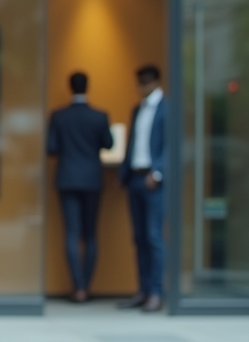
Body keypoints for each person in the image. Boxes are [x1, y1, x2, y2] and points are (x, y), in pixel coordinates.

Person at [47, 72, 114, 303]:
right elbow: (109, 143)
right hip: (92, 180)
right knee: (91, 234)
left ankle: (78, 288)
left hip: (67, 178)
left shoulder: (59, 116)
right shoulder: (99, 116)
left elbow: (51, 147)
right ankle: (86, 285)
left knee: (72, 233)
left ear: (70, 87)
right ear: (88, 86)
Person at [118, 64, 166, 313]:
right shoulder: (138, 109)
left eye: (144, 82)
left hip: (154, 181)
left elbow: (171, 144)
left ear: (155, 82)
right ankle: (143, 290)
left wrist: (158, 173)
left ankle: (156, 292)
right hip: (135, 179)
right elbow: (133, 144)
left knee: (153, 237)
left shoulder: (166, 108)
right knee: (138, 238)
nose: (140, 87)